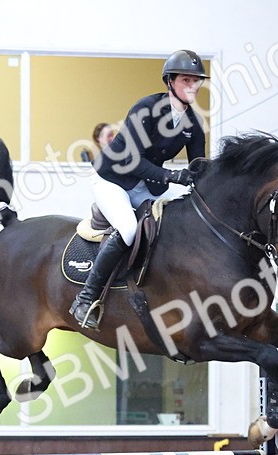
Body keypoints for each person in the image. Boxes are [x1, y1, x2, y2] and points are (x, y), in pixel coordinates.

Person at [70, 49, 209, 329]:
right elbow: (130, 159)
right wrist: (171, 175)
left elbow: (198, 165)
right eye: (186, 79)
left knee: (184, 215)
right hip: (112, 179)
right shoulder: (146, 108)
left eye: (196, 80)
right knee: (129, 229)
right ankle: (85, 300)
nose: (192, 86)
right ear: (170, 81)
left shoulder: (193, 123)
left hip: (147, 184)